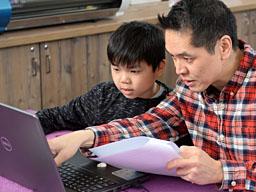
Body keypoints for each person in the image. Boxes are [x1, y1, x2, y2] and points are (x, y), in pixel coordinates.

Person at [48, 0, 256, 192]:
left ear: (223, 46)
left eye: (187, 57)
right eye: (174, 57)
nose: (179, 69)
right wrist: (85, 136)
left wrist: (221, 171)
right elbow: (151, 124)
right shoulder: (191, 85)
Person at [36, 21, 191, 146]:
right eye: (116, 69)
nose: (123, 79)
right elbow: (58, 116)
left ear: (159, 67)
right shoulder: (102, 95)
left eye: (134, 71)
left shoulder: (173, 106)